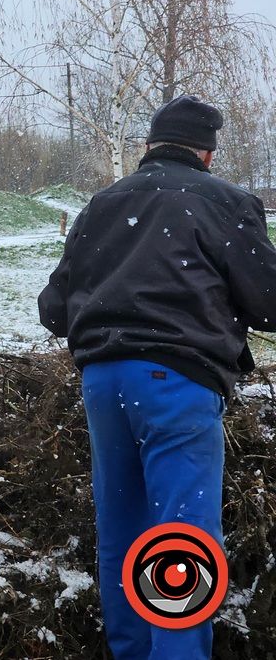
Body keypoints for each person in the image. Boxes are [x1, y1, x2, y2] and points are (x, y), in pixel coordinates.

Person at [39, 96, 276, 659]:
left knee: (121, 531)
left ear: (148, 146)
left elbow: (53, 309)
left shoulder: (103, 203)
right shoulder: (223, 202)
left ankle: (131, 651)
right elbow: (269, 304)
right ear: (208, 153)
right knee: (181, 538)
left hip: (102, 381)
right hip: (177, 379)